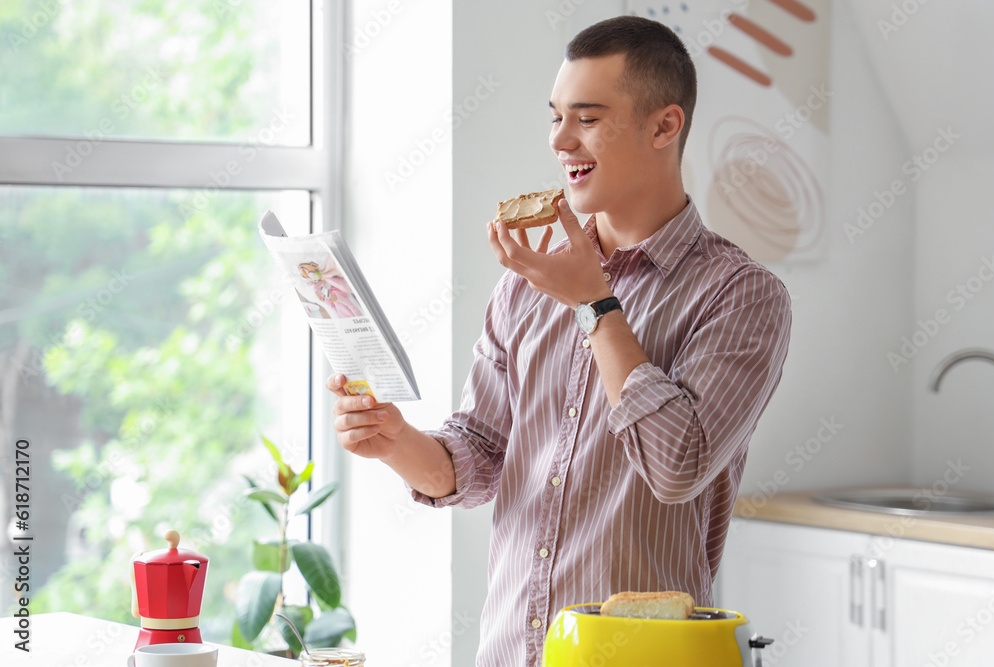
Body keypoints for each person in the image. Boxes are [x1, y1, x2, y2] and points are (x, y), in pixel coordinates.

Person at [328, 15, 792, 667]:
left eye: (588, 118)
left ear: (665, 126)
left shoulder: (740, 294)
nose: (560, 140)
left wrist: (594, 302)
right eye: (555, 117)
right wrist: (398, 441)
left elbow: (677, 466)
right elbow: (482, 455)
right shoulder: (523, 286)